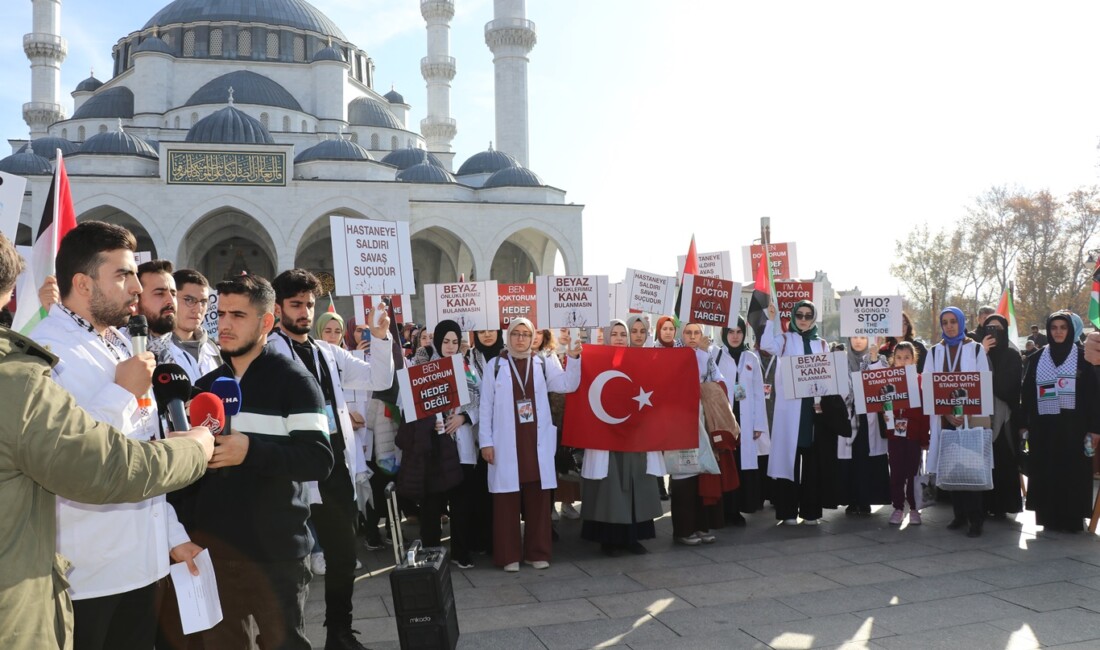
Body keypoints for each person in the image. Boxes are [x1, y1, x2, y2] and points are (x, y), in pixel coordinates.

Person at [0, 233, 214, 650]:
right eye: (124, 275)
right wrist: (120, 393)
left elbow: (144, 443)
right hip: (88, 576)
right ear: (83, 284)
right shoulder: (47, 353)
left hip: (144, 564)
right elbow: (77, 458)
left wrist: (172, 536)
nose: (136, 287)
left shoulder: (121, 343)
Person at [173, 273, 335, 650]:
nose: (225, 325)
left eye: (238, 316)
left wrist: (252, 451)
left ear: (266, 322)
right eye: (222, 314)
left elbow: (318, 459)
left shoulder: (295, 381)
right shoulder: (206, 386)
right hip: (215, 553)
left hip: (277, 555)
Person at [267, 269, 394, 650]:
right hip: (292, 474)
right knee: (292, 567)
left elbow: (379, 377)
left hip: (336, 469)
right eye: (296, 305)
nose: (305, 312)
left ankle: (339, 633)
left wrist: (381, 335)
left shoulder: (328, 352)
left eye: (309, 304)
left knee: (342, 558)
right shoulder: (269, 353)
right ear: (277, 308)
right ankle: (288, 639)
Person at [479, 318, 581, 572]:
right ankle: (508, 555)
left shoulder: (543, 362)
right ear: (508, 336)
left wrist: (573, 358)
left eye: (526, 334)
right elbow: (485, 408)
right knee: (506, 502)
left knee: (538, 499)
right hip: (505, 442)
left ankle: (537, 552)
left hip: (536, 442)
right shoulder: (495, 366)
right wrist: (486, 443)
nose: (521, 338)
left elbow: (568, 384)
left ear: (533, 336)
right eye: (516, 334)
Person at [398, 320, 479, 568]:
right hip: (434, 447)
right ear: (438, 341)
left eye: (455, 342)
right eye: (446, 341)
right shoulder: (422, 368)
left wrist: (464, 417)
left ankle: (460, 552)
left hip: (461, 444)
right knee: (432, 504)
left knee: (461, 503)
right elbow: (406, 404)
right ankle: (432, 553)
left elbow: (480, 400)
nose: (451, 346)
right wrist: (430, 420)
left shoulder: (467, 367)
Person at [580, 319, 664, 556]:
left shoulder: (640, 361)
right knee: (610, 487)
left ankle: (632, 538)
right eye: (614, 333)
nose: (619, 338)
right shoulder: (595, 360)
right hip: (606, 436)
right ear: (607, 336)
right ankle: (609, 539)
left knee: (635, 483)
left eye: (622, 334)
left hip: (634, 436)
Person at [761, 300, 842, 525]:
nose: (804, 320)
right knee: (790, 459)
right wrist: (771, 319)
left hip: (813, 411)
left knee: (812, 462)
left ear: (814, 319)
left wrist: (823, 401)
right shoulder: (785, 339)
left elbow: (827, 376)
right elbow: (766, 345)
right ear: (794, 317)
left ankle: (811, 512)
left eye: (808, 316)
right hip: (790, 411)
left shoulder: (822, 344)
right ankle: (787, 511)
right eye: (800, 315)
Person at [1021, 312, 1099, 532]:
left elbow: (1095, 396)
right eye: (1053, 327)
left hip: (1075, 429)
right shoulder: (1036, 358)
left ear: (1070, 330)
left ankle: (1073, 518)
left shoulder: (1085, 357)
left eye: (1063, 327)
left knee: (1073, 473)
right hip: (1044, 428)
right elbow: (1026, 394)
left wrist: (1095, 429)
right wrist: (1023, 424)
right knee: (1046, 471)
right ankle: (1048, 516)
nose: (1058, 332)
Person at [926, 307, 991, 538]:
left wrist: (966, 413)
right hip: (945, 419)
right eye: (945, 322)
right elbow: (929, 388)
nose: (950, 326)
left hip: (971, 417)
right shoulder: (934, 352)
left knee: (971, 466)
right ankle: (959, 514)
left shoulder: (974, 349)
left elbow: (982, 384)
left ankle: (976, 518)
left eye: (954, 321)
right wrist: (946, 413)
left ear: (961, 322)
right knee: (953, 466)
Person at [669, 322, 731, 544]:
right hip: (682, 422)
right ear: (681, 334)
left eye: (697, 333)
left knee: (703, 473)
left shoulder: (708, 354)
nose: (693, 337)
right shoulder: (674, 354)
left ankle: (702, 526)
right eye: (688, 332)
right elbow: (686, 381)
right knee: (684, 474)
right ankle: (684, 530)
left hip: (703, 421)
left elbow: (719, 380)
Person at [715, 317, 770, 521]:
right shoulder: (716, 355)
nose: (735, 336)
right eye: (730, 332)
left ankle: (737, 509)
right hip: (724, 419)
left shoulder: (750, 358)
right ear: (724, 334)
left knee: (741, 465)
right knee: (725, 464)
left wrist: (759, 424)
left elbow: (757, 393)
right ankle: (723, 510)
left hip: (745, 420)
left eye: (739, 332)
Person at [838, 336, 891, 515]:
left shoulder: (878, 359)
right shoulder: (841, 359)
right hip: (849, 416)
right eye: (854, 337)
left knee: (866, 459)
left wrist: (874, 358)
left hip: (869, 416)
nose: (858, 341)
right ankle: (852, 500)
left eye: (862, 337)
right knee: (851, 460)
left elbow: (882, 381)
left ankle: (866, 499)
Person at [980, 314, 1023, 520]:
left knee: (1004, 461)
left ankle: (1004, 505)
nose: (993, 332)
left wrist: (990, 381)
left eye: (997, 329)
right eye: (989, 328)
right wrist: (982, 354)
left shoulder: (1012, 355)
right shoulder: (978, 353)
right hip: (981, 418)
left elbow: (1009, 388)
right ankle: (983, 504)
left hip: (1005, 418)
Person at [885, 342, 930, 525]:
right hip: (895, 436)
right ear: (893, 360)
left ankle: (913, 508)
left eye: (907, 358)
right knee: (896, 472)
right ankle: (897, 507)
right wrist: (887, 416)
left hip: (913, 436)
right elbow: (882, 405)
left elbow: (925, 412)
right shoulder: (888, 380)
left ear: (914, 360)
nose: (902, 362)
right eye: (899, 358)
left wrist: (924, 438)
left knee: (913, 473)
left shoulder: (921, 380)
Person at [170, 268, 222, 382]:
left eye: (203, 302)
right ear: (171, 299)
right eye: (189, 300)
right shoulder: (155, 349)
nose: (198, 309)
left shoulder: (214, 349)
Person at [133, 259, 177, 363]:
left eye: (173, 294)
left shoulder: (185, 356)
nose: (170, 301)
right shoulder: (117, 350)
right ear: (136, 300)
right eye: (159, 294)